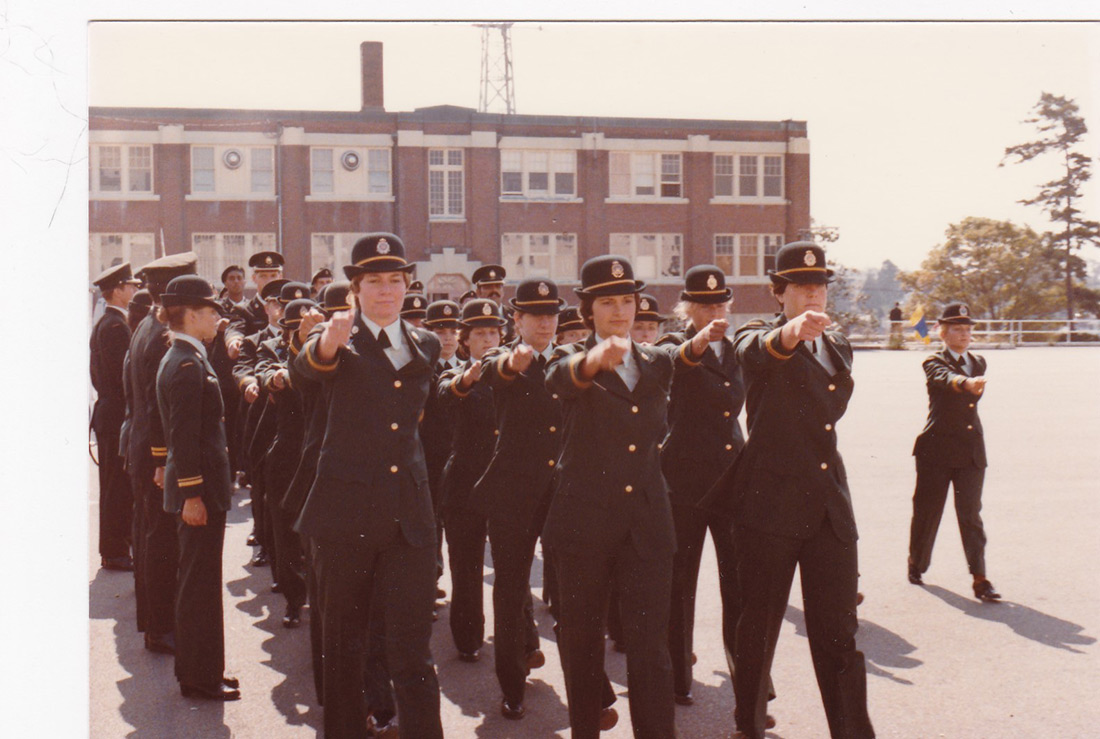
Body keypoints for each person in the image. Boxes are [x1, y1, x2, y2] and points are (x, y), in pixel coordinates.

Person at [704, 241, 874, 739]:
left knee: (839, 632)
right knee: (759, 624)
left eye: (819, 285)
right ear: (779, 293)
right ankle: (749, 725)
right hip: (769, 504)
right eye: (800, 286)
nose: (812, 295)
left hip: (827, 504)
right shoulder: (757, 334)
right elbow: (755, 352)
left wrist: (809, 334)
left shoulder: (837, 344)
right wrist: (792, 333)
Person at [292, 233, 443, 739]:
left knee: (413, 648)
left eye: (395, 280)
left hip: (409, 518)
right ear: (355, 289)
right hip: (346, 516)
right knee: (344, 648)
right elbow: (306, 369)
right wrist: (326, 344)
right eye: (373, 281)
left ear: (407, 286)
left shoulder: (425, 342)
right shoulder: (337, 338)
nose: (386, 290)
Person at [544, 254, 678, 739]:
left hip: (646, 523)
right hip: (584, 524)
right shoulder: (567, 358)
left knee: (650, 648)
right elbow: (560, 380)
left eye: (626, 300)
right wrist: (593, 361)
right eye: (607, 302)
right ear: (588, 311)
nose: (620, 311)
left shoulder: (659, 361)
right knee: (582, 646)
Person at [658, 265, 769, 713]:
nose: (714, 313)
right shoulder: (672, 344)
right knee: (679, 584)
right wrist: (698, 342)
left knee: (739, 584)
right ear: (687, 308)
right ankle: (677, 678)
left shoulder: (737, 348)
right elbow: (672, 362)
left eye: (720, 304)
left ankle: (750, 687)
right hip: (685, 479)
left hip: (731, 476)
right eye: (704, 306)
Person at [474, 278, 566, 719]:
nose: (545, 323)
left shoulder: (570, 358)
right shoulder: (500, 356)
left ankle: (591, 686)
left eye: (551, 315)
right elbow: (495, 371)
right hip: (513, 490)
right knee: (511, 589)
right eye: (535, 316)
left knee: (572, 592)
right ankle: (512, 686)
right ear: (517, 320)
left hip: (563, 489)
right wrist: (514, 361)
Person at [154, 274, 239, 701]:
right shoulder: (187, 364)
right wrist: (191, 495)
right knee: (199, 585)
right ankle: (201, 677)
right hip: (199, 490)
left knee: (198, 581)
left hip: (201, 487)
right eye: (210, 312)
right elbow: (184, 437)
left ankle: (200, 670)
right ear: (190, 315)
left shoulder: (186, 356)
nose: (216, 319)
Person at [127, 251, 199, 655]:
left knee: (151, 535)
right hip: (157, 453)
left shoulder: (146, 325)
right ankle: (160, 627)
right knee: (162, 542)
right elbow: (158, 406)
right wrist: (161, 460)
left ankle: (153, 622)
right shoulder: (160, 335)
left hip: (142, 446)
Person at [908, 302, 1000, 602]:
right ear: (943, 333)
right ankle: (917, 562)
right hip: (936, 450)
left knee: (971, 515)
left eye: (967, 329)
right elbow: (945, 377)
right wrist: (965, 382)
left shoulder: (979, 362)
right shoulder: (933, 361)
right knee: (927, 512)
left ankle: (980, 578)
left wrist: (971, 380)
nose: (964, 335)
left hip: (971, 451)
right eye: (957, 329)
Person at [436, 298, 506, 663]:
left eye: (493, 333)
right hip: (464, 484)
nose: (488, 340)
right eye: (480, 334)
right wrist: (468, 378)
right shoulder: (455, 376)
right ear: (465, 340)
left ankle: (522, 642)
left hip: (506, 483)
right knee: (466, 567)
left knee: (512, 568)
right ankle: (467, 638)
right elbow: (448, 394)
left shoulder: (514, 374)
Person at [91, 262, 142, 571]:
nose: (135, 290)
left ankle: (116, 547)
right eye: (131, 286)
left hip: (109, 413)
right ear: (118, 290)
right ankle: (114, 551)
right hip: (115, 415)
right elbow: (122, 377)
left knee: (115, 484)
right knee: (117, 486)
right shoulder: (115, 326)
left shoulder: (110, 322)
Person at [420, 299, 463, 603]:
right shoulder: (421, 369)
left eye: (452, 331)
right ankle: (430, 582)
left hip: (460, 455)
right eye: (440, 331)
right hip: (430, 455)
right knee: (430, 522)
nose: (447, 338)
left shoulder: (470, 367)